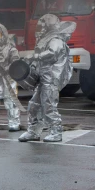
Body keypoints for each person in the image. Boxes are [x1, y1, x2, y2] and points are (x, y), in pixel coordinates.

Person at [19, 14, 76, 143]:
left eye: (42, 25)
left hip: (50, 78)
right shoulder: (45, 39)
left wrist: (35, 56)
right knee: (34, 105)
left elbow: (52, 53)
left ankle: (55, 131)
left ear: (48, 25)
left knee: (49, 105)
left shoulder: (55, 39)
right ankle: (33, 131)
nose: (40, 28)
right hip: (42, 77)